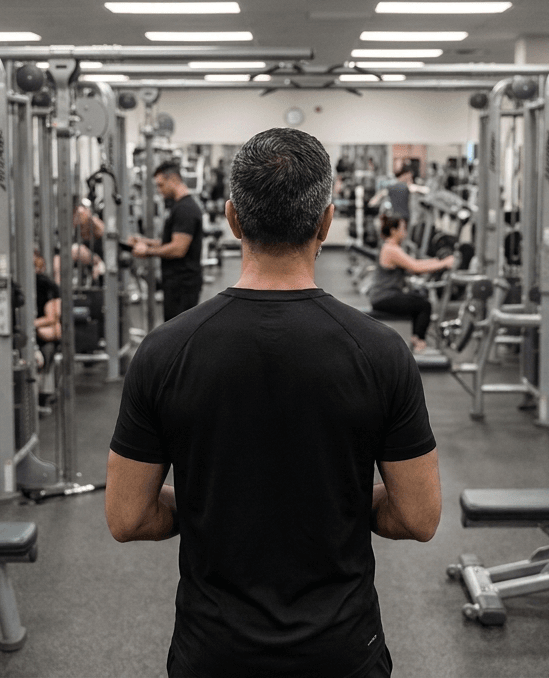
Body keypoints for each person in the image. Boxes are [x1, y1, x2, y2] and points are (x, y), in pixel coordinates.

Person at [105, 127, 441, 678]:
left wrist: (212, 501)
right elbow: (419, 515)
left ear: (233, 219)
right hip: (342, 652)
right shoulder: (381, 352)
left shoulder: (164, 351)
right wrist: (340, 498)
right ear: (326, 223)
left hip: (213, 653)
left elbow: (127, 516)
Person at [368, 214, 455, 353]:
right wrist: (444, 263)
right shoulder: (391, 250)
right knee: (424, 305)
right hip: (384, 297)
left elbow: (415, 265)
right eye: (403, 229)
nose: (405, 233)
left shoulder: (392, 247)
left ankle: (416, 340)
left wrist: (438, 261)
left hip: (385, 295)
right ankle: (419, 342)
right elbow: (415, 267)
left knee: (418, 300)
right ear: (393, 231)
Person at [128, 162, 204, 320]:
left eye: (161, 185)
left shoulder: (185, 209)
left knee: (179, 334)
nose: (159, 190)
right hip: (176, 283)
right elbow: (170, 241)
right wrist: (146, 241)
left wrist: (147, 251)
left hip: (183, 285)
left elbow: (178, 249)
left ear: (173, 180)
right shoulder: (180, 206)